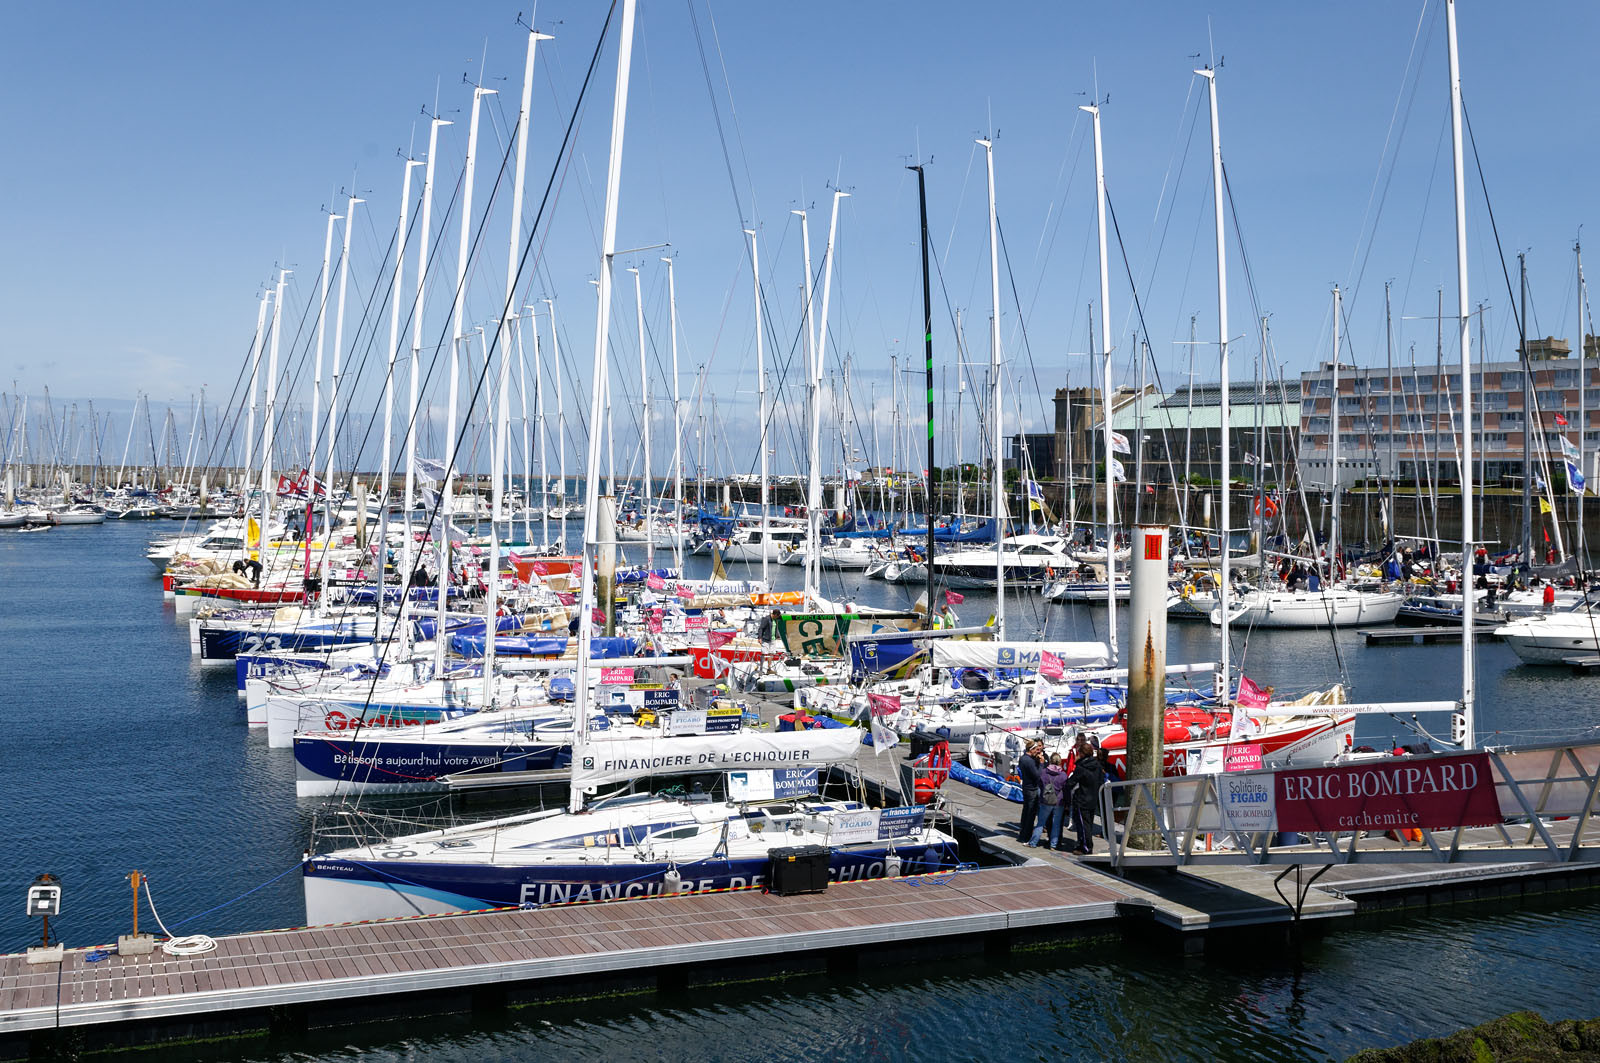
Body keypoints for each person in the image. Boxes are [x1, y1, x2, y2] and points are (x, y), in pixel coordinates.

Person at [1069, 736, 1106, 854]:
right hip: (1093, 798)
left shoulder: (1081, 767)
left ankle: (1086, 847)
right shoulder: (1097, 766)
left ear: (1082, 754)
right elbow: (1101, 781)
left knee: (1083, 824)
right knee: (1088, 823)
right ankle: (1083, 844)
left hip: (1082, 799)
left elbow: (1071, 782)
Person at [1031, 753, 1069, 849]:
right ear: (1060, 762)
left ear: (1050, 761)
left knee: (1040, 823)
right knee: (1056, 824)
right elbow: (1066, 790)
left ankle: (1033, 842)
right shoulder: (1063, 775)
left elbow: (1040, 785)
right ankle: (1053, 845)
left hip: (1046, 800)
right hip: (1059, 801)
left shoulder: (1044, 772)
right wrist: (1068, 802)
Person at [1015, 740, 1045, 844]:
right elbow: (1037, 775)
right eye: (1036, 750)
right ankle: (1026, 837)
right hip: (1032, 789)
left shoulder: (1023, 758)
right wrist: (1041, 764)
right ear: (1031, 750)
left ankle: (1022, 834)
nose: (1037, 752)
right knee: (1030, 814)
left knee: (1026, 812)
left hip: (1026, 787)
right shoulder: (1029, 761)